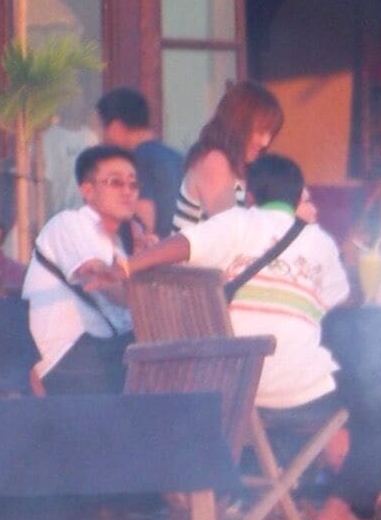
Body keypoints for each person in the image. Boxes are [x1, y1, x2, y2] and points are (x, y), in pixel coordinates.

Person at [101, 152, 381, 520]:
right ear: (299, 197)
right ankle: (340, 507)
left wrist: (129, 265)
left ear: (249, 195)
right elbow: (337, 300)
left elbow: (183, 244)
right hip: (296, 389)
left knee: (349, 387)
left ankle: (296, 497)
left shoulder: (235, 224)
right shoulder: (318, 242)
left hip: (227, 385)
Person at [21, 144, 142, 394]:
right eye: (115, 182)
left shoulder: (118, 248)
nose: (127, 191)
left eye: (133, 184)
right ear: (87, 190)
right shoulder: (70, 223)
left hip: (102, 351)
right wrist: (143, 285)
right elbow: (104, 282)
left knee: (164, 357)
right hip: (64, 356)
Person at [175, 81, 284, 229]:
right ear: (238, 124)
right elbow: (231, 232)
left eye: (271, 133)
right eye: (261, 131)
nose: (266, 142)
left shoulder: (243, 170)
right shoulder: (214, 161)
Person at [97, 87, 185, 240]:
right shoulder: (177, 157)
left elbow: (144, 215)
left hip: (154, 258)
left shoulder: (136, 160)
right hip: (180, 252)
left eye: (102, 128)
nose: (102, 137)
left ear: (116, 127)